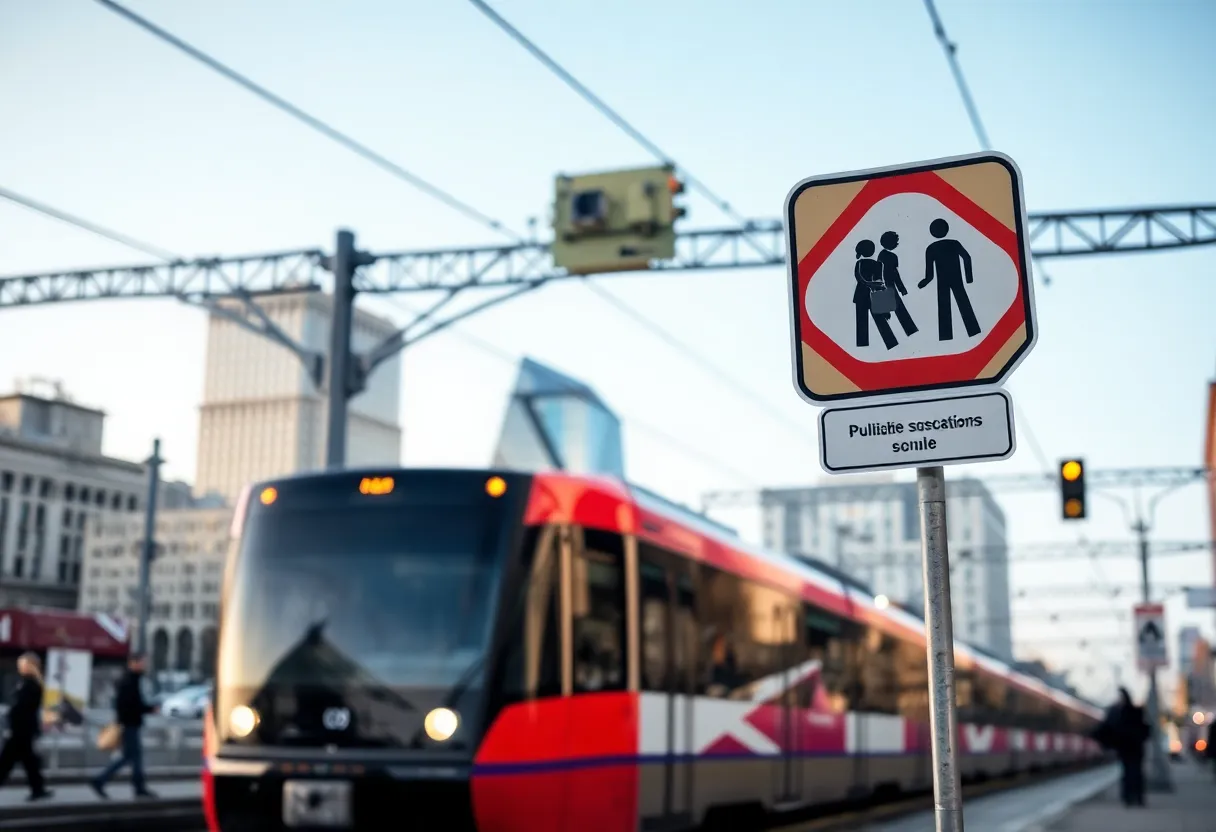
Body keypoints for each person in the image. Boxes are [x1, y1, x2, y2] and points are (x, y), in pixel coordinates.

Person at [90, 653, 157, 799]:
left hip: (129, 723)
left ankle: (137, 786)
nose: (144, 665)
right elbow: (130, 705)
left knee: (132, 757)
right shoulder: (129, 681)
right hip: (129, 724)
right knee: (130, 757)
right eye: (142, 662)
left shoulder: (131, 679)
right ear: (133, 663)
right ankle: (101, 780)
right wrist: (149, 709)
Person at [919, 218, 982, 341]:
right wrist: (968, 278)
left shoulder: (931, 248)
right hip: (956, 279)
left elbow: (929, 273)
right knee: (962, 302)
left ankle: (946, 335)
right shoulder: (954, 244)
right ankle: (973, 330)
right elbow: (967, 258)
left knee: (944, 306)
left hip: (943, 281)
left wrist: (924, 282)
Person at [0, 652, 52, 801]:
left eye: (22, 664)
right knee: (29, 761)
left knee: (6, 761)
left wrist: (11, 717)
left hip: (21, 729)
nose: (19, 667)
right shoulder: (29, 683)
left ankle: (38, 789)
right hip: (24, 729)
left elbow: (22, 707)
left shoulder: (30, 684)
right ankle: (38, 789)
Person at [1093, 687, 1149, 807]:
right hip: (1135, 749)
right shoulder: (1136, 712)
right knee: (1136, 773)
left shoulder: (1118, 713)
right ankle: (1137, 798)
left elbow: (1107, 728)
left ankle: (1129, 798)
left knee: (1128, 773)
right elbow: (1146, 729)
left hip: (1126, 749)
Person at [852, 239, 898, 350]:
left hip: (861, 295)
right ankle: (891, 343)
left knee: (862, 322)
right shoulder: (878, 264)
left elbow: (859, 278)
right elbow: (880, 281)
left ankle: (862, 345)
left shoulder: (859, 263)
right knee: (880, 320)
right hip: (875, 295)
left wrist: (869, 284)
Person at [876, 231, 918, 337]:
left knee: (887, 313)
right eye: (896, 242)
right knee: (898, 309)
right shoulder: (892, 256)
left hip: (882, 286)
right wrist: (902, 288)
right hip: (889, 286)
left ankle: (908, 331)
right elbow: (895, 274)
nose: (897, 244)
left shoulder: (881, 255)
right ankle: (910, 331)